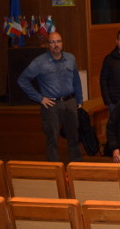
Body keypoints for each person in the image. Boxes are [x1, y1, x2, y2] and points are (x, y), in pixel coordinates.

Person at [17, 32, 83, 162]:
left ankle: (77, 168)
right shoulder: (39, 62)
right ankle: (54, 170)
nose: (56, 45)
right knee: (52, 139)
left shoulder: (71, 58)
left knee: (74, 137)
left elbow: (76, 80)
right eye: (52, 42)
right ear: (48, 45)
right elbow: (22, 80)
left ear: (62, 43)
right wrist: (39, 98)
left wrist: (79, 99)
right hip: (51, 105)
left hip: (70, 102)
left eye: (58, 41)